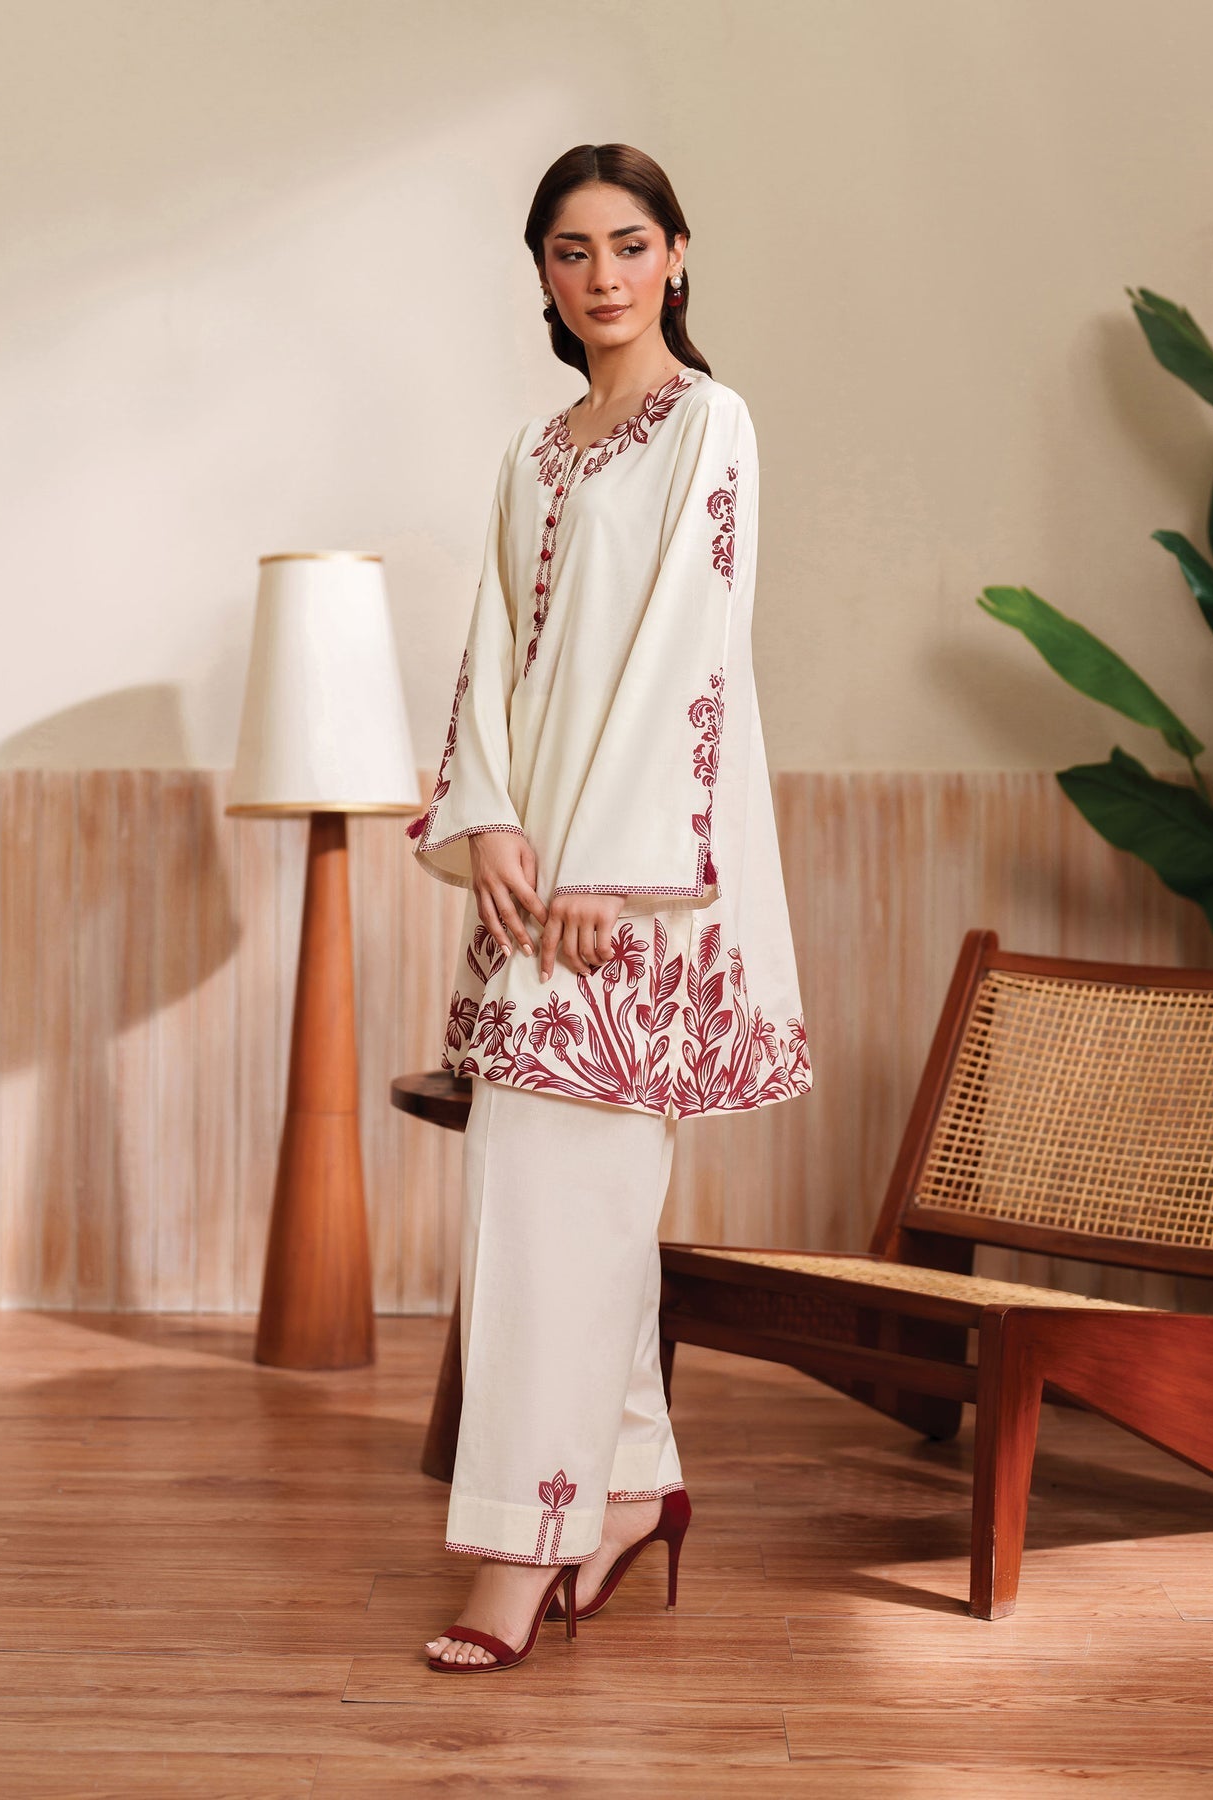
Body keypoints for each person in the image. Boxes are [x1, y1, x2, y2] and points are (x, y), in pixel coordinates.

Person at [405, 142, 812, 1671]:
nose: (602, 277)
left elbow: (690, 643)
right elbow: (494, 650)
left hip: (632, 890)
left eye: (628, 245)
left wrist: (608, 869)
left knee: (548, 1214)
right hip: (536, 881)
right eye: (570, 252)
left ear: (677, 255)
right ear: (542, 275)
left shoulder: (708, 424)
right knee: (557, 1206)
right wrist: (491, 818)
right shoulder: (532, 452)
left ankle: (524, 1549)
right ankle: (632, 1489)